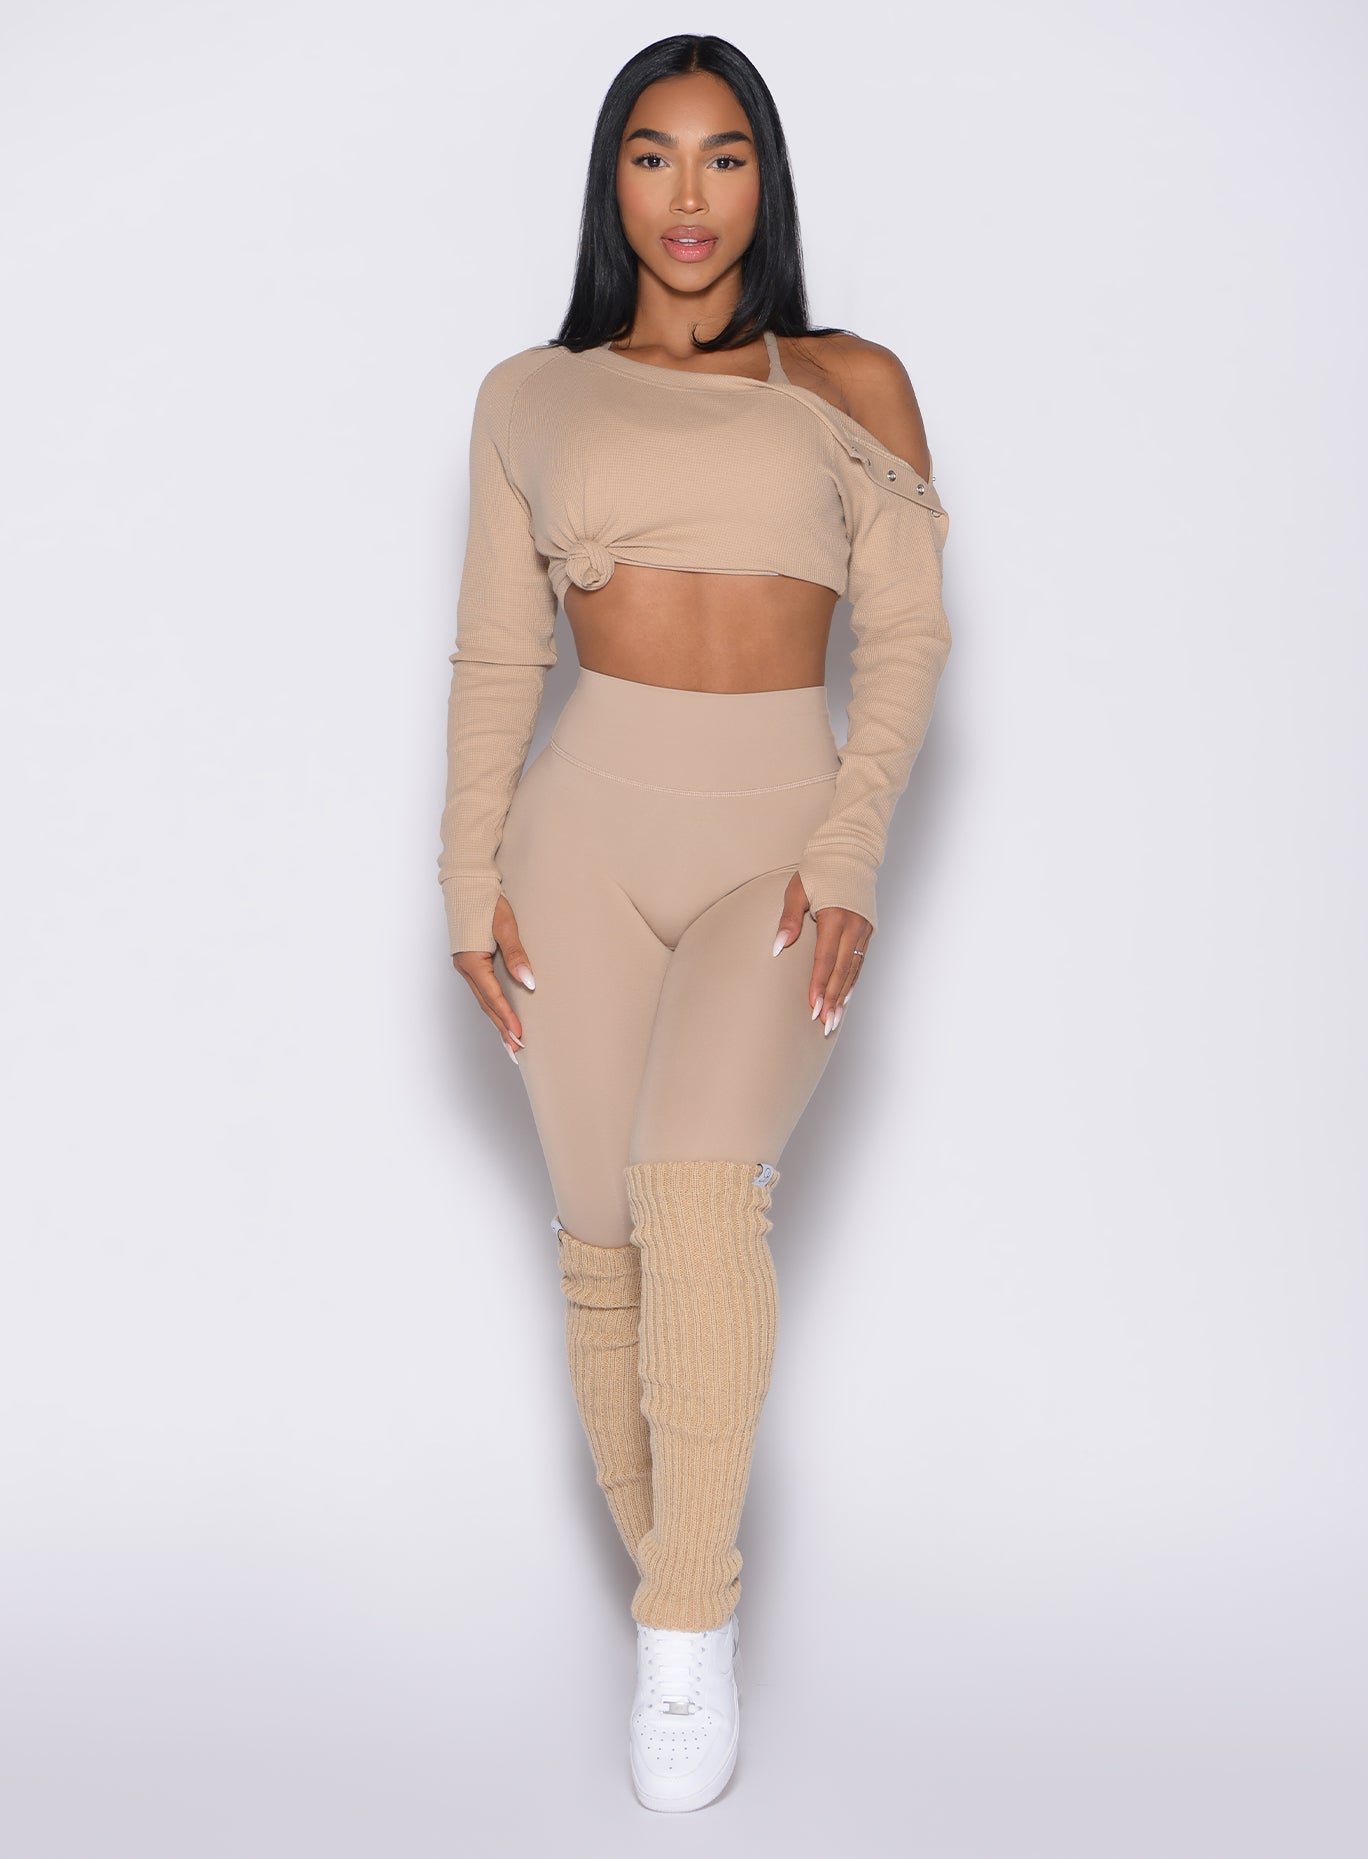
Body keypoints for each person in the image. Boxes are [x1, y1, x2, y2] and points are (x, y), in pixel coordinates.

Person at [437, 34, 953, 1813]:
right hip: (578, 838)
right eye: (653, 156)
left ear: (764, 181)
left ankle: (684, 1630)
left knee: (697, 1195)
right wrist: (464, 876)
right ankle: (682, 1587)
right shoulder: (531, 394)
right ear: (613, 182)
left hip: (776, 844)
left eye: (724, 157)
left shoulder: (849, 380)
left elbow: (911, 638)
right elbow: (498, 653)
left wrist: (852, 851)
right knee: (604, 1243)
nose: (688, 194)